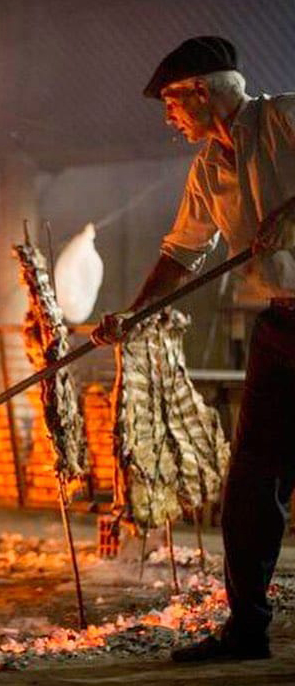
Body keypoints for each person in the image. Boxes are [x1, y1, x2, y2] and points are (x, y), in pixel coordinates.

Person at [92, 35, 295, 662]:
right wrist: (135, 311)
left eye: (171, 105)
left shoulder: (288, 115)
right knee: (251, 485)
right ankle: (246, 631)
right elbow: (180, 253)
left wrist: (291, 210)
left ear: (200, 91)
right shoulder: (209, 168)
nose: (169, 118)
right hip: (283, 328)